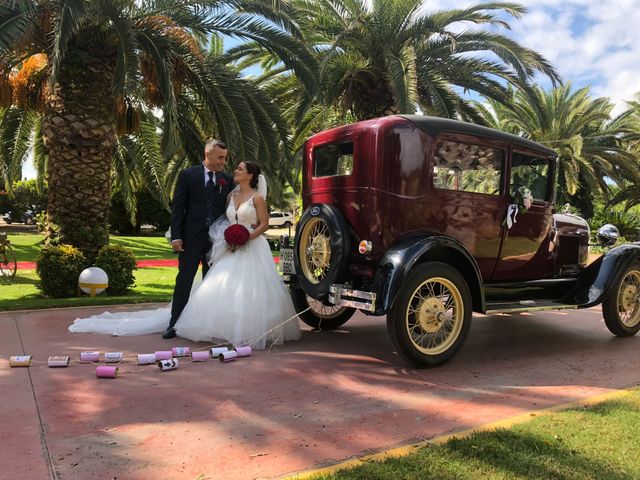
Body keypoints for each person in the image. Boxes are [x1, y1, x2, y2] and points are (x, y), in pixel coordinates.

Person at [68, 161, 301, 350]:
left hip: (251, 247)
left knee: (250, 289)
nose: (234, 170)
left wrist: (245, 237)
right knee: (219, 287)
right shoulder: (230, 196)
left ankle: (251, 329)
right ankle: (215, 327)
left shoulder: (257, 198)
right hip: (230, 247)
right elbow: (220, 218)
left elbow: (264, 224)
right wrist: (230, 237)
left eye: (240, 169)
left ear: (250, 176)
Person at [163, 139, 234, 339]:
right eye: (220, 157)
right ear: (208, 154)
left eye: (225, 158)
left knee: (211, 283)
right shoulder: (188, 175)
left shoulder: (226, 180)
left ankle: (207, 326)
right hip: (190, 238)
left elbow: (229, 211)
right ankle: (173, 324)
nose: (223, 162)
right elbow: (178, 208)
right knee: (184, 279)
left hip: (216, 241)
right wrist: (176, 236)